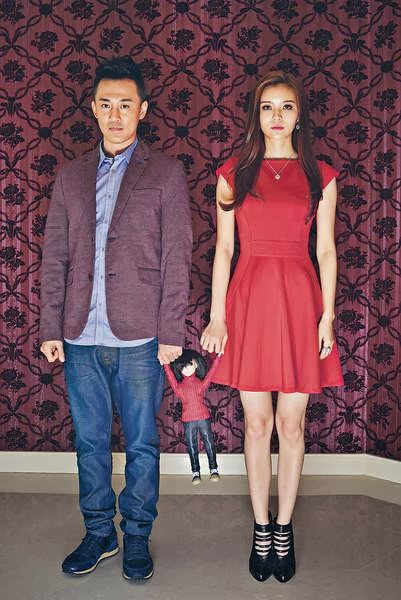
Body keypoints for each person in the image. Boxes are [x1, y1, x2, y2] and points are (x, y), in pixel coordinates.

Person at [40, 56, 192, 582]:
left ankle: (138, 535)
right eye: (105, 104)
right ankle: (100, 532)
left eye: (125, 104)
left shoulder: (166, 174)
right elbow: (55, 256)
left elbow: (178, 258)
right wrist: (50, 327)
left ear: (142, 110)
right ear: (93, 108)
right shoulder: (70, 176)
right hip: (80, 334)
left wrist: (172, 332)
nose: (115, 114)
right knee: (89, 443)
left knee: (143, 443)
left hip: (142, 337)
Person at [200, 70, 343, 584]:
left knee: (292, 425)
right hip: (250, 300)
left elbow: (326, 250)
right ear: (256, 115)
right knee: (257, 424)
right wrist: (218, 315)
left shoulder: (321, 175)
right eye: (267, 107)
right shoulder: (232, 172)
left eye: (286, 107)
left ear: (299, 115)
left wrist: (327, 314)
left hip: (301, 301)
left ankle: (285, 527)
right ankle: (261, 527)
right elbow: (223, 250)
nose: (276, 116)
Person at [164, 350, 221, 485]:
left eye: (189, 364)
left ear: (196, 364)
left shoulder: (200, 384)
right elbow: (170, 377)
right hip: (187, 419)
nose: (186, 368)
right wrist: (165, 364)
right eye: (183, 367)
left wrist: (219, 357)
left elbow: (211, 373)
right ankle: (195, 472)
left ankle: (213, 469)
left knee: (209, 443)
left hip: (203, 417)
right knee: (191, 445)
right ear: (179, 369)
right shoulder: (178, 387)